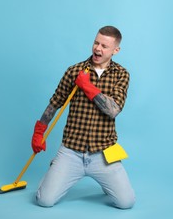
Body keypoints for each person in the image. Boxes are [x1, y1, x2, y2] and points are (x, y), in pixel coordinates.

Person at [31, 26, 135, 209]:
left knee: (126, 203)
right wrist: (39, 130)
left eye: (104, 46)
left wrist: (87, 87)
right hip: (72, 150)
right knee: (44, 201)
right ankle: (57, 167)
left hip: (103, 152)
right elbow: (55, 103)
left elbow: (113, 110)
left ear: (115, 50)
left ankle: (106, 179)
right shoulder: (74, 71)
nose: (97, 49)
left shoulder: (121, 75)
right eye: (96, 43)